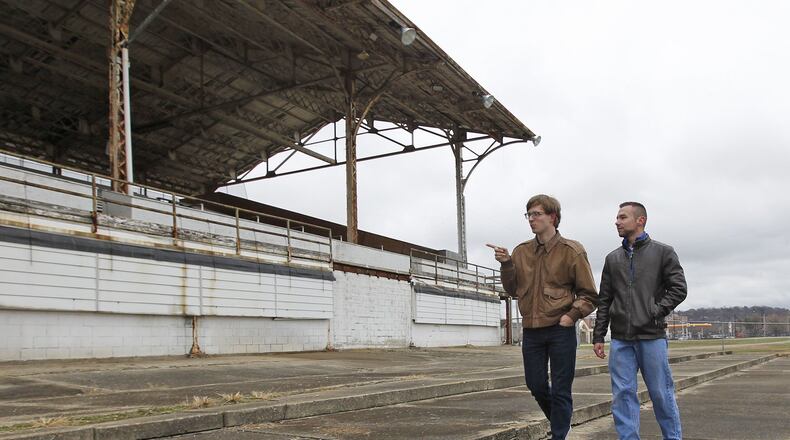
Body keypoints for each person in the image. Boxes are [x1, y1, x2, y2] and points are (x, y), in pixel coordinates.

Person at [488, 194, 598, 440]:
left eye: (537, 214)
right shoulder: (521, 251)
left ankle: (559, 435)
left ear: (553, 217)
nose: (531, 219)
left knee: (561, 389)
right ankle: (563, 422)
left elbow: (589, 294)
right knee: (535, 384)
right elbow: (512, 289)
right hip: (532, 329)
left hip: (561, 328)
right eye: (529, 214)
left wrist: (571, 316)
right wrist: (506, 264)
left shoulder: (573, 251)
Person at [593, 202, 687, 440]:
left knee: (660, 393)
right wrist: (598, 335)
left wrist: (655, 311)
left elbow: (679, 289)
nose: (617, 221)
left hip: (652, 337)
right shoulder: (612, 259)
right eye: (616, 217)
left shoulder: (663, 252)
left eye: (622, 217)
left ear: (640, 220)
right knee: (622, 394)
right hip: (621, 339)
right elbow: (604, 299)